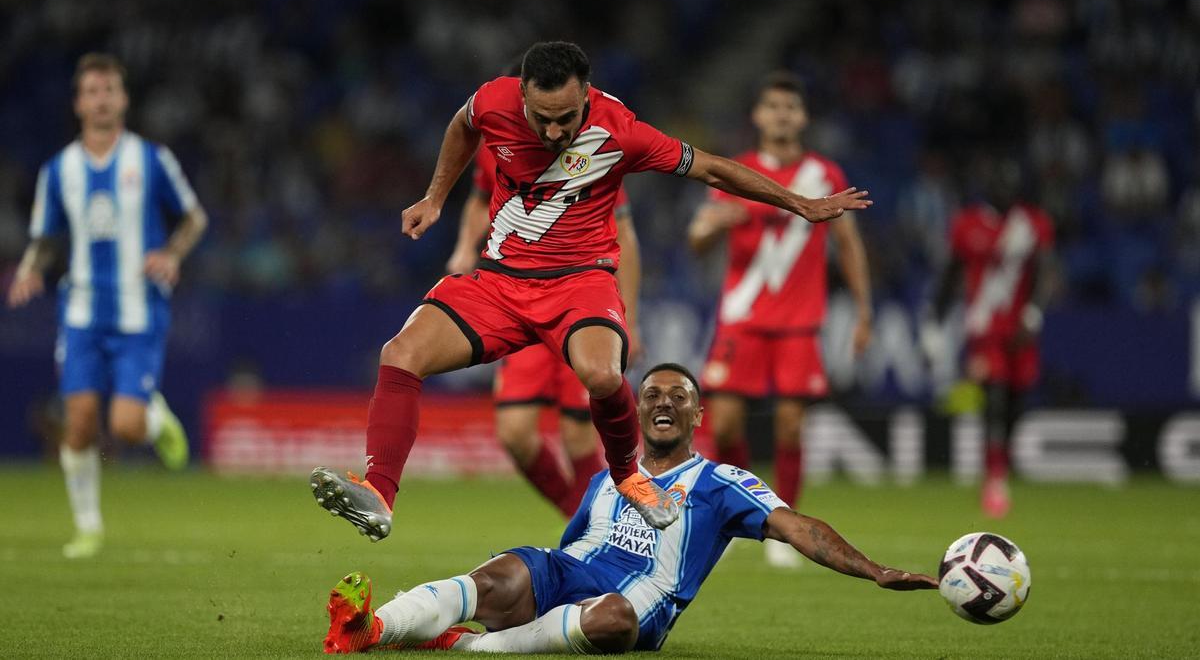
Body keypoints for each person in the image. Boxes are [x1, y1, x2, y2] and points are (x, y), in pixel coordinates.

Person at [309, 41, 870, 540]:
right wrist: (435, 197)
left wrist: (799, 202)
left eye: (566, 119)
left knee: (602, 375)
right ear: (522, 94)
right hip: (500, 280)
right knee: (400, 354)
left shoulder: (622, 129)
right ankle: (380, 494)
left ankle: (629, 475)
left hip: (580, 281)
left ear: (587, 96)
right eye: (542, 118)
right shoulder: (493, 101)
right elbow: (461, 127)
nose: (553, 132)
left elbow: (716, 171)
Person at [321, 363, 937, 654]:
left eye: (679, 396)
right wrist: (523, 579)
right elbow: (563, 552)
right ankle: (369, 629)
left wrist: (874, 569)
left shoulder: (721, 482)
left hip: (635, 610)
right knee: (504, 572)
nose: (663, 402)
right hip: (568, 581)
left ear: (698, 415)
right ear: (637, 413)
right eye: (651, 395)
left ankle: (465, 649)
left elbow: (798, 527)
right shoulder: (608, 479)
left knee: (613, 616)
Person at [6, 53, 207, 558]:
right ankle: (88, 526)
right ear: (78, 103)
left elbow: (194, 218)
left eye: (109, 90)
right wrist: (31, 267)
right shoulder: (59, 170)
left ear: (123, 99)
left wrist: (172, 253)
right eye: (91, 91)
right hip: (80, 313)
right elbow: (47, 236)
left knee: (124, 426)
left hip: (139, 311)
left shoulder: (151, 159)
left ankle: (154, 420)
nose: (101, 99)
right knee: (77, 421)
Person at [687, 72, 872, 567]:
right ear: (758, 116)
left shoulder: (824, 175)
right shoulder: (736, 170)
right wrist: (711, 227)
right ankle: (739, 514)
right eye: (773, 107)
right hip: (742, 317)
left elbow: (848, 243)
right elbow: (697, 239)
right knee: (724, 424)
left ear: (803, 116)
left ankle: (786, 525)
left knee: (791, 427)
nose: (782, 115)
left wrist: (863, 309)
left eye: (791, 107)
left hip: (798, 321)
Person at [446, 143, 643, 517]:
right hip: (520, 302)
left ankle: (591, 530)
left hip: (578, 307)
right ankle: (584, 519)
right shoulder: (495, 147)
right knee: (515, 433)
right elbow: (479, 198)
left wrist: (629, 319)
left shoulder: (593, 151)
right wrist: (464, 247)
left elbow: (626, 236)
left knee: (578, 435)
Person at [923, 153, 1054, 519]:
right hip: (983, 329)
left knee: (1015, 401)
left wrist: (1033, 311)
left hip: (1021, 330)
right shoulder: (967, 224)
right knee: (993, 398)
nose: (1005, 188)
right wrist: (936, 319)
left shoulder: (1032, 223)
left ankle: (1001, 466)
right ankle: (995, 480)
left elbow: (1043, 271)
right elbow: (950, 274)